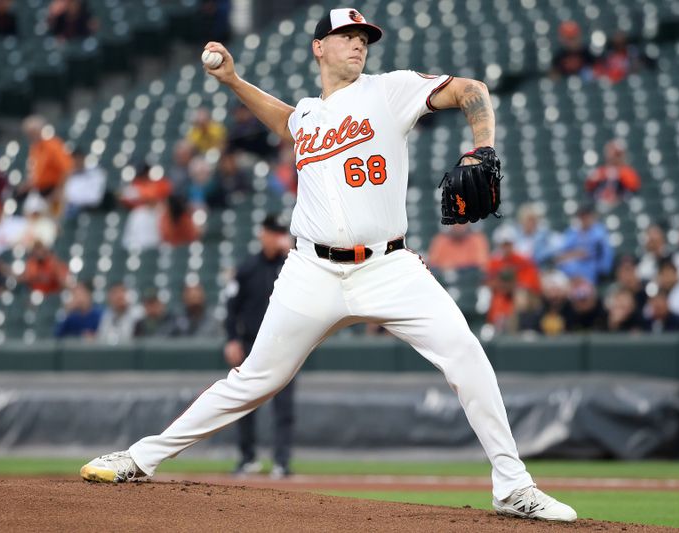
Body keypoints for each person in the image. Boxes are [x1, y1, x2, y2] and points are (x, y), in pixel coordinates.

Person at [80, 9, 576, 522]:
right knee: (253, 379)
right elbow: (286, 120)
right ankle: (141, 457)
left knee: (466, 354)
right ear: (319, 47)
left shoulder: (390, 90)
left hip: (388, 265)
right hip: (310, 270)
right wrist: (232, 81)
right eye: (346, 36)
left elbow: (471, 89)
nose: (358, 45)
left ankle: (513, 485)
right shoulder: (308, 117)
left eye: (363, 38)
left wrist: (483, 145)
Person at [224, 215, 294, 478]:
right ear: (262, 234)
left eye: (280, 232)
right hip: (251, 342)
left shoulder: (292, 265)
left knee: (284, 407)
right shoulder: (247, 268)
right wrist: (232, 339)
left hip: (285, 344)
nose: (277, 237)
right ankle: (247, 458)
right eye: (272, 232)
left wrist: (292, 254)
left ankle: (282, 462)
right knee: (244, 402)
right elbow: (231, 308)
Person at [19, 116, 73, 211]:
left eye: (33, 131)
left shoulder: (53, 145)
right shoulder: (34, 148)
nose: (31, 135)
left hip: (55, 191)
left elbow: (67, 169)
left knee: (55, 222)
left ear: (40, 130)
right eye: (28, 133)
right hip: (41, 193)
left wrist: (59, 190)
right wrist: (29, 185)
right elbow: (38, 172)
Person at [555, 201, 614, 285]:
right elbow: (560, 256)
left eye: (586, 216)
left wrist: (576, 254)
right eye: (581, 216)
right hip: (572, 273)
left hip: (593, 272)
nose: (584, 219)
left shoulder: (599, 232)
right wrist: (576, 254)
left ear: (592, 216)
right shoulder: (572, 232)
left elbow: (599, 255)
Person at [119, 163, 173, 251]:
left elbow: (169, 237)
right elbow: (128, 240)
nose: (152, 200)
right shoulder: (137, 214)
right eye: (149, 198)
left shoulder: (164, 214)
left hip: (159, 250)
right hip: (140, 249)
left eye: (154, 198)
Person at [585, 140, 641, 207]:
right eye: (612, 153)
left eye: (617, 154)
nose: (613, 157)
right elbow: (589, 187)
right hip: (600, 206)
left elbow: (633, 188)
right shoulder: (600, 171)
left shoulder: (628, 172)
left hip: (620, 206)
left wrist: (618, 174)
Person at [63, 148, 107, 218]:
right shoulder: (67, 174)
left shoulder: (96, 174)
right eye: (75, 160)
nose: (77, 163)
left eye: (79, 160)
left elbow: (95, 199)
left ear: (83, 159)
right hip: (67, 207)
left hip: (86, 210)